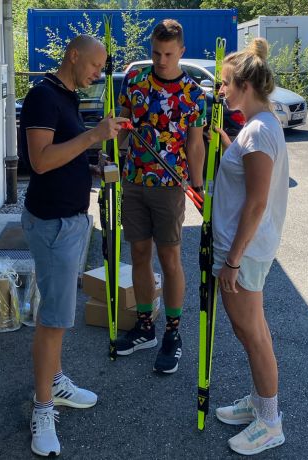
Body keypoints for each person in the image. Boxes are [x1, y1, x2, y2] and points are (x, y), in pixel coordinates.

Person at [19, 35, 128, 457]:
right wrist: (92, 137)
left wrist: (91, 165)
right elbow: (40, 160)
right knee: (54, 320)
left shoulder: (65, 95)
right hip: (53, 225)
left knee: (58, 312)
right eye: (96, 66)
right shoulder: (43, 96)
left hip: (69, 221)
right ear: (74, 55)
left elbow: (62, 154)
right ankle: (42, 409)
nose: (98, 74)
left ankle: (55, 381)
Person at [211, 37, 289, 456]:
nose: (221, 90)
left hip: (244, 252)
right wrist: (225, 141)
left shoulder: (259, 131)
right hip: (244, 249)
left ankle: (270, 421)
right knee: (250, 329)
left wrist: (233, 260)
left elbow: (257, 202)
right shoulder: (258, 127)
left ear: (245, 85)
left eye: (226, 83)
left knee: (252, 333)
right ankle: (260, 403)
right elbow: (245, 170)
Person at [115, 19, 207, 373]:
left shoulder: (193, 93)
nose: (161, 60)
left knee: (170, 258)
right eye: (156, 53)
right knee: (139, 253)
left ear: (181, 51)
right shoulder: (135, 82)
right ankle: (144, 327)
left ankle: (172, 332)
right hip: (134, 180)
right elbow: (122, 126)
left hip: (170, 186)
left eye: (168, 54)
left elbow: (195, 144)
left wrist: (197, 185)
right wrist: (111, 153)